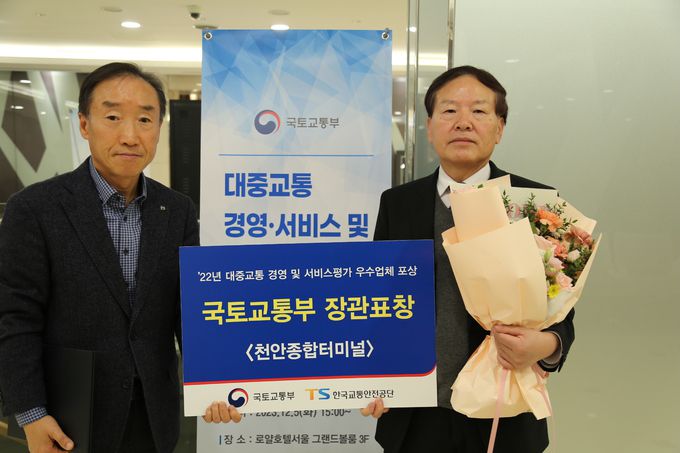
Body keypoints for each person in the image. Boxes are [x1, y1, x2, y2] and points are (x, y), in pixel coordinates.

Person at [0, 62, 239, 453]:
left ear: (159, 128)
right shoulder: (35, 209)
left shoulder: (177, 209)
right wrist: (30, 412)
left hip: (154, 413)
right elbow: (15, 318)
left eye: (145, 119)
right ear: (84, 124)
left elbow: (190, 310)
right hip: (69, 414)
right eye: (112, 117)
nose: (130, 135)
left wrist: (217, 382)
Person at [361, 66, 575, 453]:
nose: (463, 122)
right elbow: (380, 301)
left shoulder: (536, 204)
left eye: (478, 111)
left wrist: (544, 345)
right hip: (415, 413)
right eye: (449, 111)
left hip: (504, 410)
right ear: (429, 126)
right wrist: (374, 377)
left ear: (500, 127)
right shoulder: (398, 203)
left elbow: (561, 312)